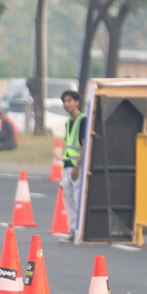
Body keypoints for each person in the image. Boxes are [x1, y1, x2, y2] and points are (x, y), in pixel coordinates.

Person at [60, 86, 86, 236]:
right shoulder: (68, 122)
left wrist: (78, 166)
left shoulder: (83, 120)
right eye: (64, 101)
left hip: (77, 166)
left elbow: (84, 144)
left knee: (78, 197)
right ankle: (73, 229)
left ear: (77, 102)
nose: (66, 104)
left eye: (69, 101)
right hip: (67, 164)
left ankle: (80, 229)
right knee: (68, 197)